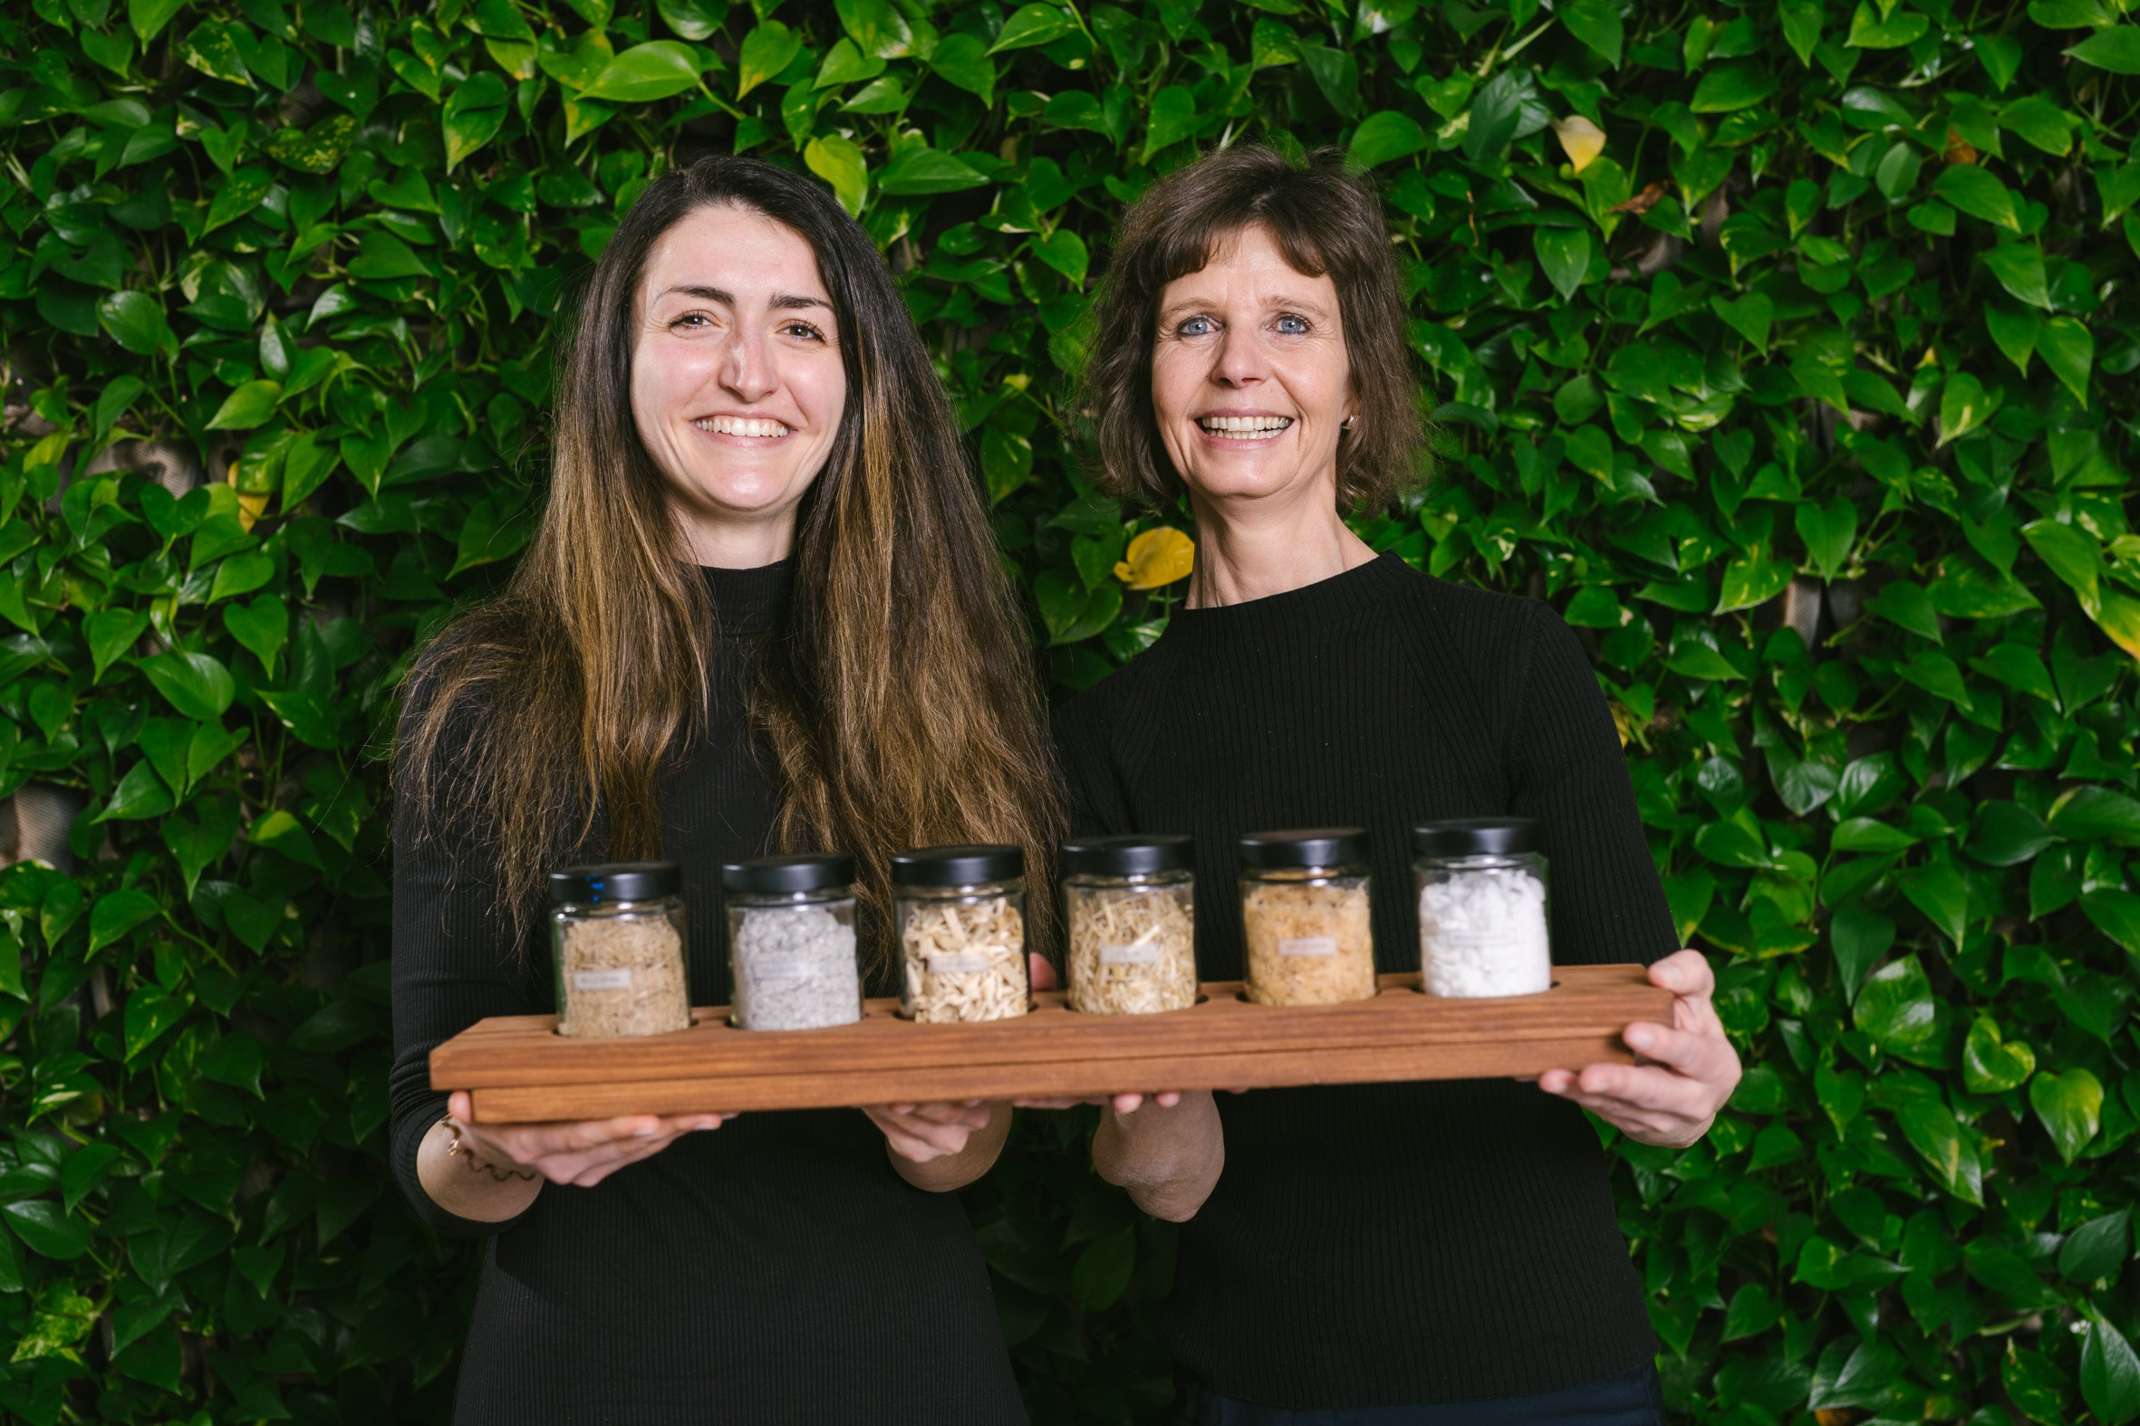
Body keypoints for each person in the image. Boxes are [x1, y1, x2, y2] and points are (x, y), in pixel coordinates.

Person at [1052, 146, 1742, 1423]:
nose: (1236, 366)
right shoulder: (1101, 737)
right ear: (1144, 383)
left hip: (1548, 1373)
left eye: (1290, 323)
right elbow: (1176, 1169)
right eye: (1192, 324)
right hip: (1269, 1381)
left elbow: (1635, 1035)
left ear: (1354, 381)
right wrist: (1142, 1140)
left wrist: (1686, 1077)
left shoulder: (1507, 662)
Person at [386, 155, 1061, 1423]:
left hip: (902, 1370)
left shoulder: (943, 682)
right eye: (695, 317)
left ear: (855, 383)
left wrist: (951, 1129)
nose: (749, 370)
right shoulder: (489, 691)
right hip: (586, 1374)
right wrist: (496, 1145)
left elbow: (971, 1149)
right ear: (616, 365)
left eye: (798, 326)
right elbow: (426, 1141)